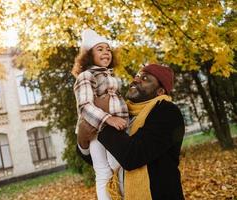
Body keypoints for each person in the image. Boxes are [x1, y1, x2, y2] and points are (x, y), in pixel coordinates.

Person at [77, 64, 185, 200]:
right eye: (137, 76)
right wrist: (82, 139)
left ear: (160, 91)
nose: (136, 80)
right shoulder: (122, 111)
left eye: (145, 78)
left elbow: (132, 156)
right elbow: (101, 159)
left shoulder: (166, 111)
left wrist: (104, 119)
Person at [72, 29, 129, 200]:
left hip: (114, 128)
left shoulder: (109, 75)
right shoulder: (86, 76)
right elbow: (84, 105)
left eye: (108, 49)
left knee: (117, 165)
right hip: (97, 129)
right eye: (100, 49)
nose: (106, 52)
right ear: (89, 55)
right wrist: (108, 118)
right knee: (104, 170)